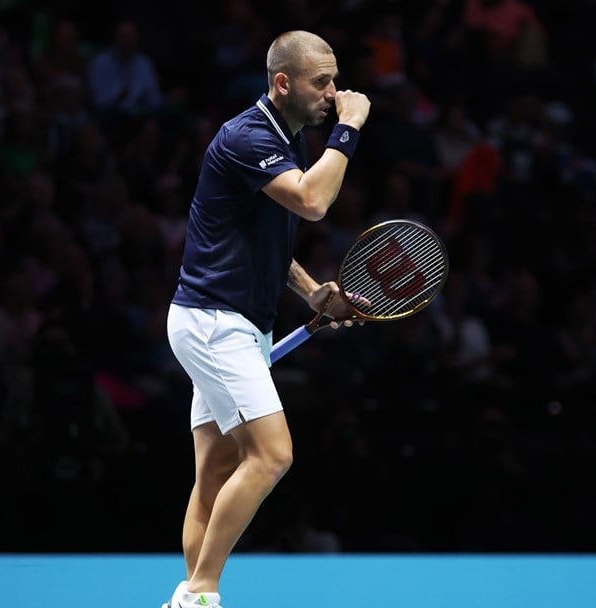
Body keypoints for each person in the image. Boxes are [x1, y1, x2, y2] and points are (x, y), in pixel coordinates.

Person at [164, 30, 370, 608]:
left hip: (237, 324)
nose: (333, 92)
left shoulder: (287, 136)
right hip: (213, 323)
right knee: (273, 454)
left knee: (214, 476)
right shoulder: (248, 136)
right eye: (321, 82)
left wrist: (311, 294)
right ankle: (200, 591)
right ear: (283, 83)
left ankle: (191, 597)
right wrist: (348, 129)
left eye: (335, 81)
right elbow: (312, 202)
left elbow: (265, 240)